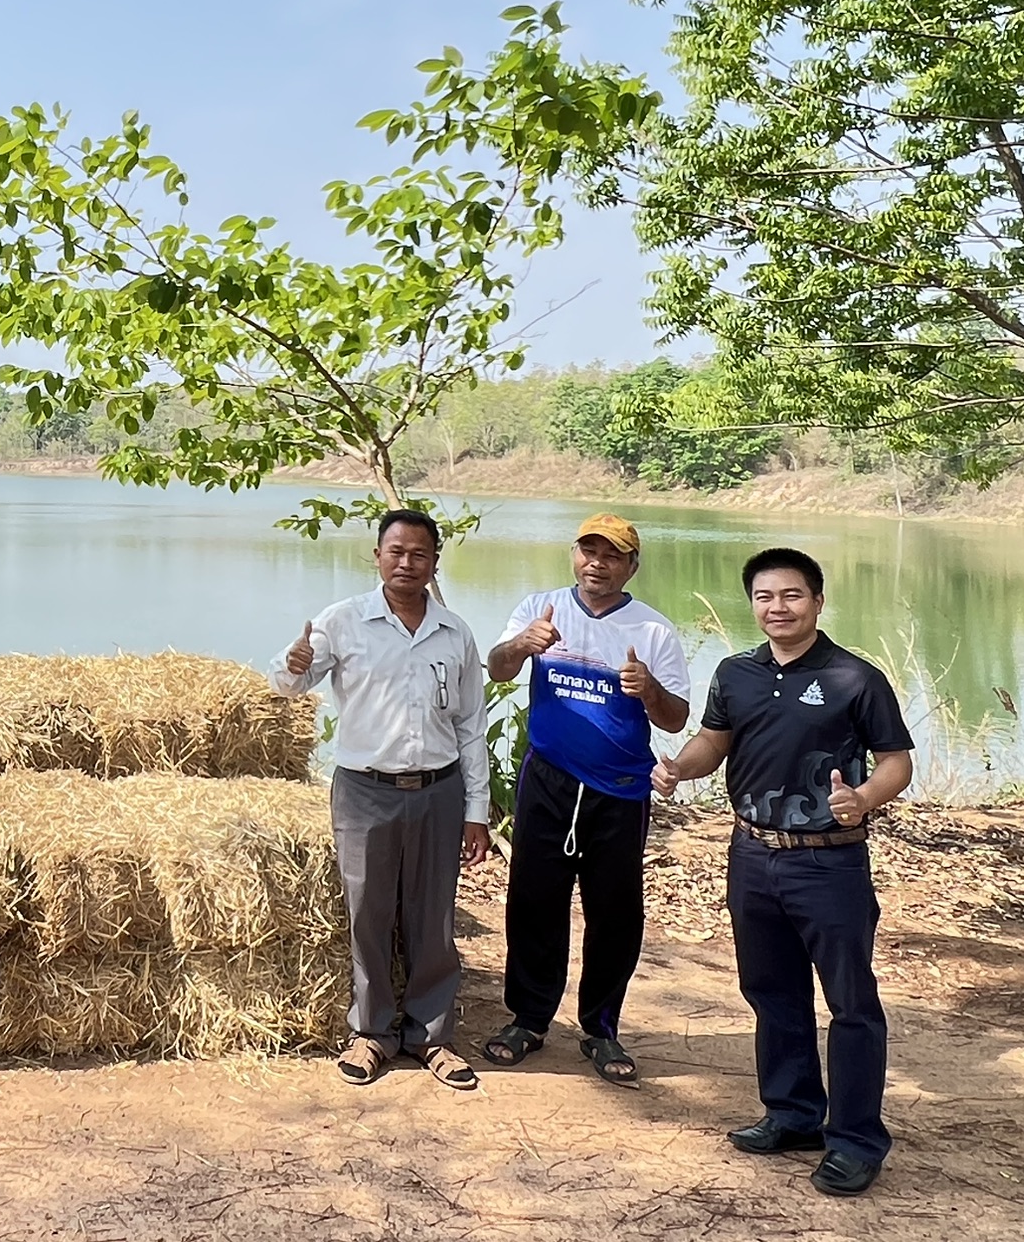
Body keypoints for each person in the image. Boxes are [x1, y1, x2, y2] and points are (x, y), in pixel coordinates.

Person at [652, 547, 914, 1198]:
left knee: (851, 1003)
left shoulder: (857, 678)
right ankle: (794, 1115)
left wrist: (866, 798)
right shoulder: (735, 673)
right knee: (772, 992)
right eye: (766, 598)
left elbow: (895, 761)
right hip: (752, 853)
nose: (779, 608)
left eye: (792, 596)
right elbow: (715, 741)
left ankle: (855, 1141)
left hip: (830, 859)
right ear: (753, 604)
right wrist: (681, 767)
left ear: (818, 601)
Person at [272, 508, 490, 1091]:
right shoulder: (342, 621)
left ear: (434, 562)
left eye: (419, 554)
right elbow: (289, 684)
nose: (406, 563)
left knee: (433, 917)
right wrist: (292, 666)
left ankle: (432, 1037)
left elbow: (471, 726)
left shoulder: (456, 633)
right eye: (396, 551)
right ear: (377, 556)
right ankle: (371, 1033)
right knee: (367, 912)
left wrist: (476, 811)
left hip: (438, 792)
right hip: (366, 791)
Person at [481, 512, 691, 1084]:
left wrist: (649, 689)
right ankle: (528, 1019)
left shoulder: (651, 631)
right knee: (533, 900)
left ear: (631, 566)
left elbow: (676, 718)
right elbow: (498, 670)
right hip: (548, 779)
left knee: (615, 912)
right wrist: (522, 645)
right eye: (588, 551)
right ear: (575, 555)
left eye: (612, 555)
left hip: (619, 789)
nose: (597, 564)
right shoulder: (540, 608)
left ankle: (600, 1027)